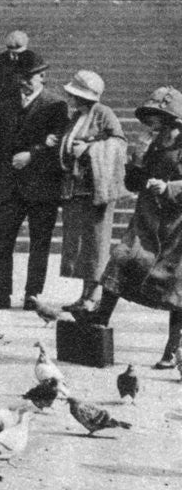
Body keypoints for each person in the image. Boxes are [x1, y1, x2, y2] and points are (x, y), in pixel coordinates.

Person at [73, 87, 182, 369]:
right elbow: (133, 184)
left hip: (177, 226)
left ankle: (173, 348)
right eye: (150, 116)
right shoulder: (152, 142)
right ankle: (98, 320)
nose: (151, 122)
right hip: (147, 219)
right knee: (121, 260)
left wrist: (169, 187)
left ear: (171, 118)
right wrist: (138, 156)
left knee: (176, 286)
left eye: (157, 116)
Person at [0, 52, 69, 310]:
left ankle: (32, 294)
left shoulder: (56, 105)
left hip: (42, 186)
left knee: (39, 242)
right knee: (1, 240)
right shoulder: (5, 102)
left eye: (30, 78)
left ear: (42, 77)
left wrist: (32, 155)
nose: (24, 82)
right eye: (21, 77)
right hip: (11, 185)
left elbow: (59, 143)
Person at [58, 70, 127, 312]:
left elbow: (118, 144)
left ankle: (94, 294)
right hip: (76, 189)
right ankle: (84, 294)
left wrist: (88, 149)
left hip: (97, 189)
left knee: (96, 243)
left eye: (74, 94)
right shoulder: (77, 115)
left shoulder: (103, 114)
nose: (70, 98)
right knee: (80, 244)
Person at [0, 30, 31, 127]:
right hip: (2, 106)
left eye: (20, 54)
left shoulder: (32, 59)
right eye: (13, 53)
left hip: (23, 104)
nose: (16, 57)